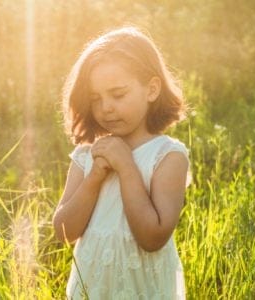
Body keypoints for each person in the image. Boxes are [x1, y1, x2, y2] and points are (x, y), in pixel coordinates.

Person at [52, 26, 191, 299]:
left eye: (118, 94)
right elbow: (64, 231)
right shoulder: (87, 155)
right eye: (96, 99)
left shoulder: (167, 156)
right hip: (92, 290)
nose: (106, 107)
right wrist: (94, 177)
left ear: (151, 90)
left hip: (143, 291)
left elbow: (152, 238)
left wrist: (126, 167)